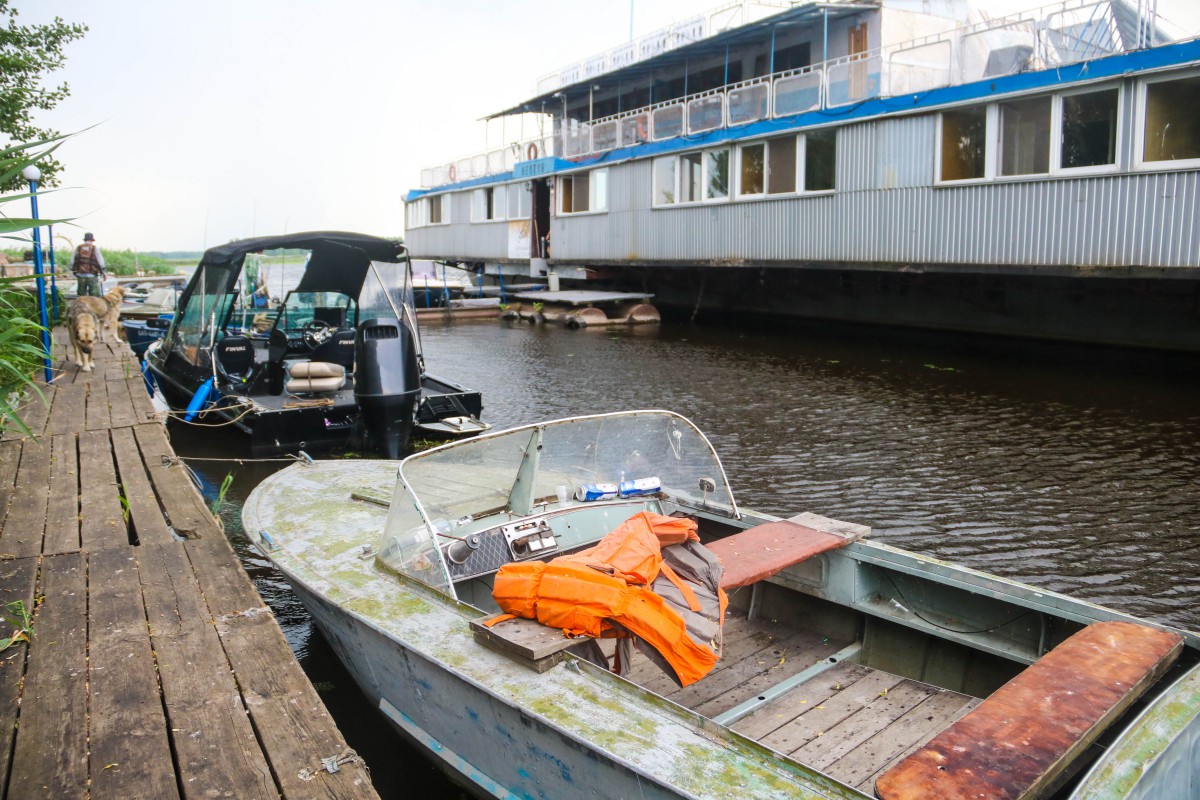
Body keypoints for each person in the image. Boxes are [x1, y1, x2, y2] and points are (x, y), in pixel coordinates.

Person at [72, 232, 107, 297]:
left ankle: (83, 306)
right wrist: (104, 273)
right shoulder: (95, 248)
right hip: (92, 275)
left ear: (85, 240)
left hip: (80, 275)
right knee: (94, 296)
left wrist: (72, 272)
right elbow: (101, 262)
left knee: (81, 296)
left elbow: (72, 261)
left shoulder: (78, 248)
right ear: (91, 240)